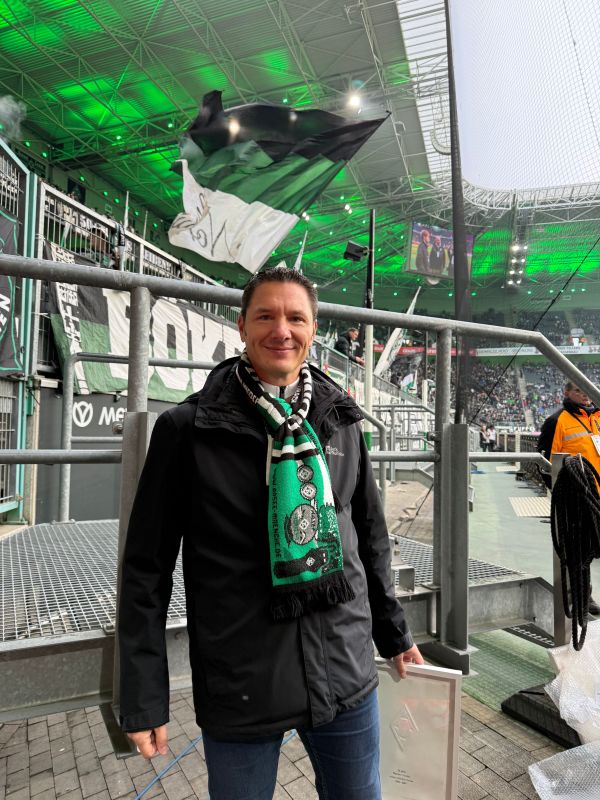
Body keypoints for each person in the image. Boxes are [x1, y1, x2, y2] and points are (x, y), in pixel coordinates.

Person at [118, 267, 423, 800]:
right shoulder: (187, 431)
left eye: (295, 318)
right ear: (241, 325)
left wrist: (394, 634)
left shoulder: (339, 418)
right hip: (242, 686)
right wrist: (143, 696)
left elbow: (370, 535)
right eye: (265, 316)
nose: (281, 330)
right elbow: (147, 569)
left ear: (313, 329)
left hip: (346, 673)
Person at [537, 380, 600, 615]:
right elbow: (544, 464)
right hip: (574, 498)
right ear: (567, 393)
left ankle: (585, 595)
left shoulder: (598, 417)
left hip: (597, 497)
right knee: (576, 550)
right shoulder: (557, 421)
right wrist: (560, 494)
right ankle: (578, 598)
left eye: (587, 390)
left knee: (590, 549)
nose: (584, 395)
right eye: (578, 390)